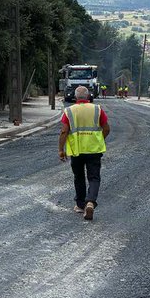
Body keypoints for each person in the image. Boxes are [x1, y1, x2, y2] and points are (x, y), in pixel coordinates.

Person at [58, 85, 110, 220]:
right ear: (88, 97)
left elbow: (64, 131)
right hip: (94, 149)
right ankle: (91, 202)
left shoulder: (69, 111)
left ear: (76, 97)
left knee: (79, 177)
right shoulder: (97, 109)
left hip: (77, 150)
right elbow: (106, 128)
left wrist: (61, 150)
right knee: (94, 177)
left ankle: (81, 205)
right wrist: (99, 139)